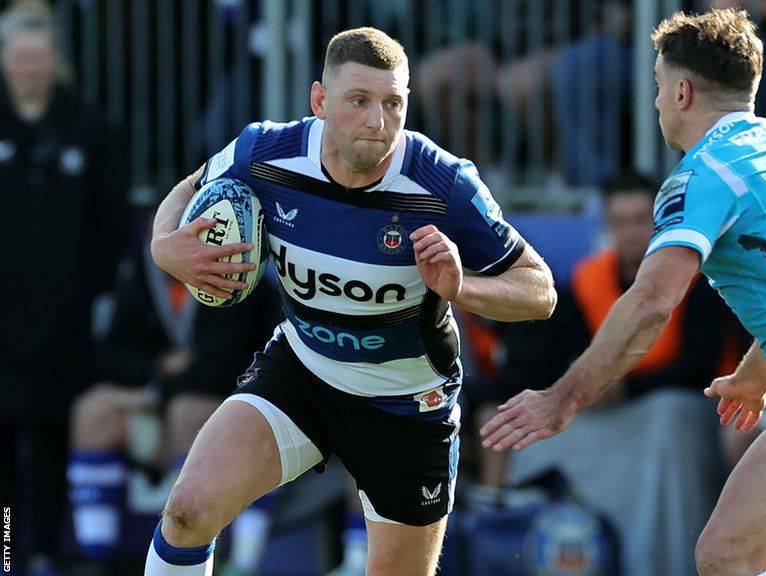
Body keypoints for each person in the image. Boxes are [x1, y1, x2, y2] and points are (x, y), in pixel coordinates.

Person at [482, 9, 766, 576]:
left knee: (723, 559)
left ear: (683, 91)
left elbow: (652, 302)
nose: (658, 103)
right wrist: (754, 377)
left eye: (660, 88)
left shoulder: (703, 173)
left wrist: (562, 399)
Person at [145, 27, 556, 576]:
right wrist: (163, 246)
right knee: (188, 511)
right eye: (358, 101)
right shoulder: (266, 151)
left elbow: (540, 291)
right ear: (320, 101)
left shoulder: (444, 184)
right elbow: (194, 181)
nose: (377, 121)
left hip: (407, 404)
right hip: (303, 372)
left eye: (393, 104)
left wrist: (463, 289)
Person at [67, 218, 280, 576]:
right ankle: (95, 557)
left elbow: (223, 365)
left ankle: (240, 561)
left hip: (225, 409)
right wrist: (156, 371)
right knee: (93, 410)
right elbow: (110, 353)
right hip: (155, 405)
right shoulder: (140, 272)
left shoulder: (238, 271)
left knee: (187, 410)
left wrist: (157, 391)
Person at [0, 2, 129, 575]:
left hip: (64, 319)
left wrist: (93, 291)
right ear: (4, 62)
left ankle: (47, 553)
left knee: (53, 438)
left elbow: (111, 221)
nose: (30, 67)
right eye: (19, 57)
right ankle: (5, 551)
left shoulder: (90, 127)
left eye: (39, 56)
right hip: (1, 320)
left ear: (55, 60)